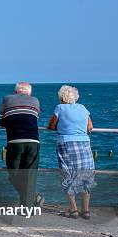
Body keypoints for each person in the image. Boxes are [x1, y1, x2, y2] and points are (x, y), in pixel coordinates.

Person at [47, 85, 95, 220]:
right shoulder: (83, 108)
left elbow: (51, 126)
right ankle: (86, 211)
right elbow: (90, 126)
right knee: (86, 176)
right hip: (84, 144)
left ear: (62, 98)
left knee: (67, 175)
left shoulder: (60, 108)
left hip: (66, 144)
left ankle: (73, 210)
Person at [0, 82, 44, 207]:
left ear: (16, 91)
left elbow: (2, 121)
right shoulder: (35, 100)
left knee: (13, 173)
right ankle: (31, 201)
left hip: (15, 141)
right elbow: (34, 118)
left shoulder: (7, 99)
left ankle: (31, 200)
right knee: (30, 176)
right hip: (33, 141)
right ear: (29, 93)